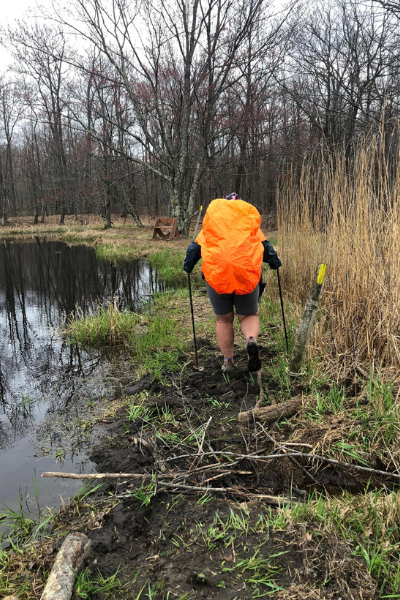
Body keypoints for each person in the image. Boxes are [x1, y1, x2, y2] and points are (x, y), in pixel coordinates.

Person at [183, 192, 281, 372]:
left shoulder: (212, 226)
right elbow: (267, 249)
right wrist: (275, 263)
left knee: (223, 320)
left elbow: (193, 250)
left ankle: (228, 362)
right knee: (248, 315)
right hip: (246, 275)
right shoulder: (249, 225)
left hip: (217, 276)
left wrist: (188, 267)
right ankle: (251, 339)